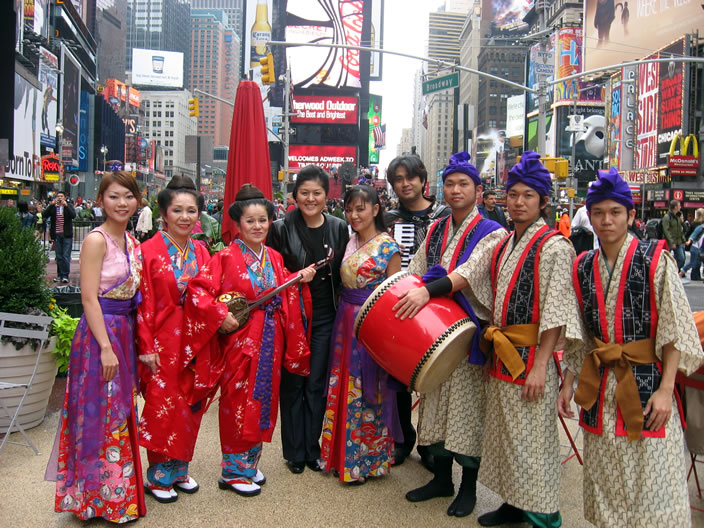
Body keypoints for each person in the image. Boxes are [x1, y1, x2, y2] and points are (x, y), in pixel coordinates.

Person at [557, 168, 704, 527]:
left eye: (615, 212)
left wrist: (667, 391)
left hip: (648, 385)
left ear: (631, 215)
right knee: (606, 481)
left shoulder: (656, 261)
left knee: (655, 480)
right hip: (601, 387)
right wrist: (567, 384)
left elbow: (674, 332)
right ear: (588, 217)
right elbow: (579, 334)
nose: (607, 221)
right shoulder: (582, 266)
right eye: (598, 213)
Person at [393, 151, 506, 518]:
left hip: (469, 333)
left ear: (478, 189)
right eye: (450, 183)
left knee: (468, 412)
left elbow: (470, 273)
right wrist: (401, 289)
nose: (455, 190)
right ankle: (442, 478)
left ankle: (468, 488)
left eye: (463, 184)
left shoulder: (493, 232)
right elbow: (416, 266)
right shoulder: (438, 228)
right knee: (436, 405)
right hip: (435, 331)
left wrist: (427, 291)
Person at [182, 184, 315, 496]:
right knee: (237, 401)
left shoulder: (274, 257)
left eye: (263, 220)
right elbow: (198, 290)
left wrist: (299, 280)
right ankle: (232, 470)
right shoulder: (225, 258)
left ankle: (249, 464)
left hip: (271, 339)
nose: (257, 226)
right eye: (250, 221)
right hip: (240, 341)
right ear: (237, 224)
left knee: (263, 400)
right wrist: (218, 315)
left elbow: (286, 293)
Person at [478, 151, 583, 527]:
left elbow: (556, 311)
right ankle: (513, 503)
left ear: (543, 201)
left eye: (528, 196)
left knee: (532, 447)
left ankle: (544, 517)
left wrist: (540, 367)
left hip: (530, 360)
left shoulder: (555, 246)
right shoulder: (507, 242)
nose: (519, 202)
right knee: (507, 438)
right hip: (503, 355)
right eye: (513, 195)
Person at [48, 172, 145, 522]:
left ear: (137, 201)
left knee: (119, 412)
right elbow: (88, 298)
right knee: (97, 415)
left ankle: (117, 496)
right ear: (101, 200)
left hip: (125, 332)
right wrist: (105, 347)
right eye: (114, 197)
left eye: (128, 197)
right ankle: (92, 498)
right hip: (99, 335)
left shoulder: (132, 242)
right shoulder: (96, 240)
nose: (122, 204)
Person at [267, 166, 349, 474]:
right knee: (293, 383)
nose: (310, 199)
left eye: (317, 193)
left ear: (328, 197)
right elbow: (272, 273)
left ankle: (313, 449)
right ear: (294, 195)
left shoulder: (339, 228)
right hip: (292, 316)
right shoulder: (280, 227)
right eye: (304, 193)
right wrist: (294, 278)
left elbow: (345, 271)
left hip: (326, 315)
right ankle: (294, 452)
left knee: (316, 382)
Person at [320, 185, 402, 484]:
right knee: (342, 382)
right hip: (344, 321)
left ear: (376, 210)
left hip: (371, 324)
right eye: (350, 209)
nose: (354, 215)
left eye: (361, 209)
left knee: (370, 386)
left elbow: (394, 294)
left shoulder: (389, 247)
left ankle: (367, 461)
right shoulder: (349, 241)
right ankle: (339, 455)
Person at [137, 176, 211, 503]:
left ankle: (179, 467)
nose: (184, 217)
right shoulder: (148, 250)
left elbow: (212, 294)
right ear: (164, 213)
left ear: (198, 215)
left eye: (191, 211)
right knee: (161, 404)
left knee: (189, 402)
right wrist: (146, 347)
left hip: (196, 339)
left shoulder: (201, 250)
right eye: (177, 210)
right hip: (162, 338)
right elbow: (143, 302)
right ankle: (157, 474)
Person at [384, 154, 449, 467]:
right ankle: (402, 437)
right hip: (398, 301)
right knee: (396, 377)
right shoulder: (388, 218)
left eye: (410, 177)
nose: (404, 184)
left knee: (434, 376)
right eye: (398, 179)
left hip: (438, 302)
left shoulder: (444, 216)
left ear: (423, 180)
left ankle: (431, 442)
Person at [45, 191, 76, 283]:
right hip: (57, 235)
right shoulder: (54, 207)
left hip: (67, 235)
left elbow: (73, 215)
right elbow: (45, 214)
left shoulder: (68, 206)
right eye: (58, 196)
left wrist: (66, 206)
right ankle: (59, 275)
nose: (60, 198)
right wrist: (51, 205)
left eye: (61, 196)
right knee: (58, 256)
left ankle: (65, 275)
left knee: (66, 256)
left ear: (65, 197)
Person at [662, 199, 686, 269]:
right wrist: (672, 242)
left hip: (678, 241)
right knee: (666, 258)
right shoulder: (667, 217)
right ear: (675, 207)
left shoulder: (678, 217)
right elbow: (666, 230)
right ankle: (668, 270)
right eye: (679, 206)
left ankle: (674, 270)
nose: (680, 207)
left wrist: (683, 240)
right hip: (669, 242)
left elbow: (680, 230)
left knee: (682, 258)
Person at [682, 208, 704, 281]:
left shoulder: (695, 223)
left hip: (697, 246)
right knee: (694, 262)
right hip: (696, 246)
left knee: (697, 263)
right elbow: (693, 234)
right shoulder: (700, 226)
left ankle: (695, 276)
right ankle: (682, 272)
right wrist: (689, 241)